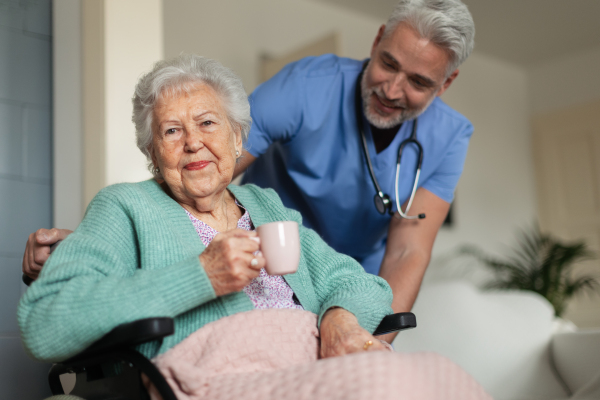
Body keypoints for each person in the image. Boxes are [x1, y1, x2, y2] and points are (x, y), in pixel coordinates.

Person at [18, 55, 490, 400]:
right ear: (152, 155)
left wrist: (339, 318)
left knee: (444, 378)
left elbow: (355, 282)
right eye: (171, 131)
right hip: (226, 375)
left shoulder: (266, 206)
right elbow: (45, 323)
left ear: (238, 136)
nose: (193, 144)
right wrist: (200, 276)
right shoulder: (126, 206)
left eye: (207, 123)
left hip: (311, 364)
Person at [22, 0, 475, 343]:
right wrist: (95, 243)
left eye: (418, 82)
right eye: (389, 64)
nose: (393, 89)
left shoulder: (449, 136)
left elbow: (406, 254)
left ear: (447, 83)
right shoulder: (305, 88)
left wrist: (360, 341)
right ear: (376, 42)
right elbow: (198, 178)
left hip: (326, 283)